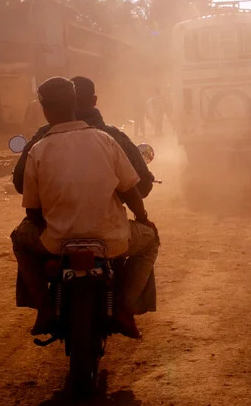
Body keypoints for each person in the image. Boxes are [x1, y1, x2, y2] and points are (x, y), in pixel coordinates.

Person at [11, 77, 159, 339]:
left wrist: (47, 219)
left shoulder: (39, 147)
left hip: (56, 241)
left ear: (45, 110)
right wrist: (143, 218)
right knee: (149, 241)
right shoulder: (107, 139)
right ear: (77, 102)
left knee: (20, 239)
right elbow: (130, 190)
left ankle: (45, 307)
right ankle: (124, 309)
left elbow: (31, 209)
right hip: (112, 240)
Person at [14, 76, 156, 198]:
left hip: (53, 226)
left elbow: (20, 184)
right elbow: (142, 188)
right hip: (108, 226)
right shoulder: (112, 138)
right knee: (146, 230)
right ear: (94, 100)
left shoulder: (41, 139)